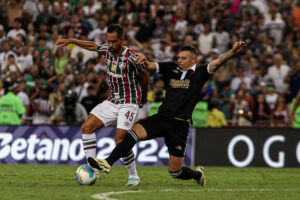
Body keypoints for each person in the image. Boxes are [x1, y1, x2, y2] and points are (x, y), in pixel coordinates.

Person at [87, 41, 247, 186]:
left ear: (194, 60)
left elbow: (218, 62)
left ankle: (198, 175)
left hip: (180, 125)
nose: (180, 60)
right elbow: (149, 65)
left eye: (184, 58)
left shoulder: (200, 73)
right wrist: (140, 57)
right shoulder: (171, 68)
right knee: (133, 133)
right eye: (179, 57)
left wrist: (232, 52)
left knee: (175, 172)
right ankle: (107, 162)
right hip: (161, 118)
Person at [55, 24, 148, 186]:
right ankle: (91, 167)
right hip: (112, 101)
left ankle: (134, 176)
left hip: (129, 102)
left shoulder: (132, 58)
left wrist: (143, 98)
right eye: (108, 41)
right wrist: (71, 41)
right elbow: (93, 46)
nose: (110, 45)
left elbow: (144, 77)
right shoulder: (107, 50)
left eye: (114, 42)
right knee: (87, 127)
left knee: (120, 140)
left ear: (122, 40)